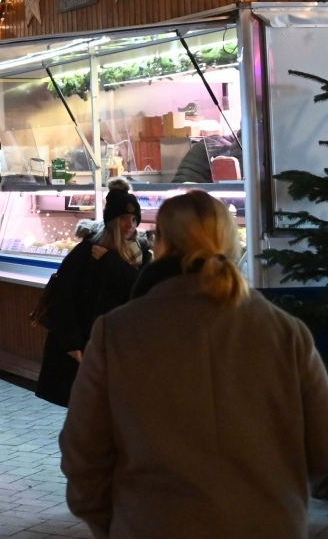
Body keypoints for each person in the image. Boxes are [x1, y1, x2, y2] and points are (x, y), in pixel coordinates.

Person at [60, 190, 328, 538]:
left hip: (153, 526)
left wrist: (111, 523)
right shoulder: (285, 333)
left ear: (161, 244)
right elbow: (323, 447)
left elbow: (83, 452)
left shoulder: (117, 332)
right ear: (231, 242)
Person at [34, 187, 148, 407]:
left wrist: (111, 262)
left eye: (134, 219)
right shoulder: (86, 252)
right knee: (89, 405)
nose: (130, 225)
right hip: (88, 343)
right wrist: (71, 343)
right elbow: (64, 297)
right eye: (123, 218)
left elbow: (140, 290)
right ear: (111, 221)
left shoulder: (141, 253)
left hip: (121, 345)